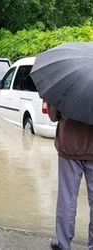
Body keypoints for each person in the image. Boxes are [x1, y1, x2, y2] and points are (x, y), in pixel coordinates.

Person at [48, 103, 93, 250]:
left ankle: (63, 244)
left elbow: (53, 116)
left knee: (67, 198)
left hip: (69, 146)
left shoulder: (66, 83)